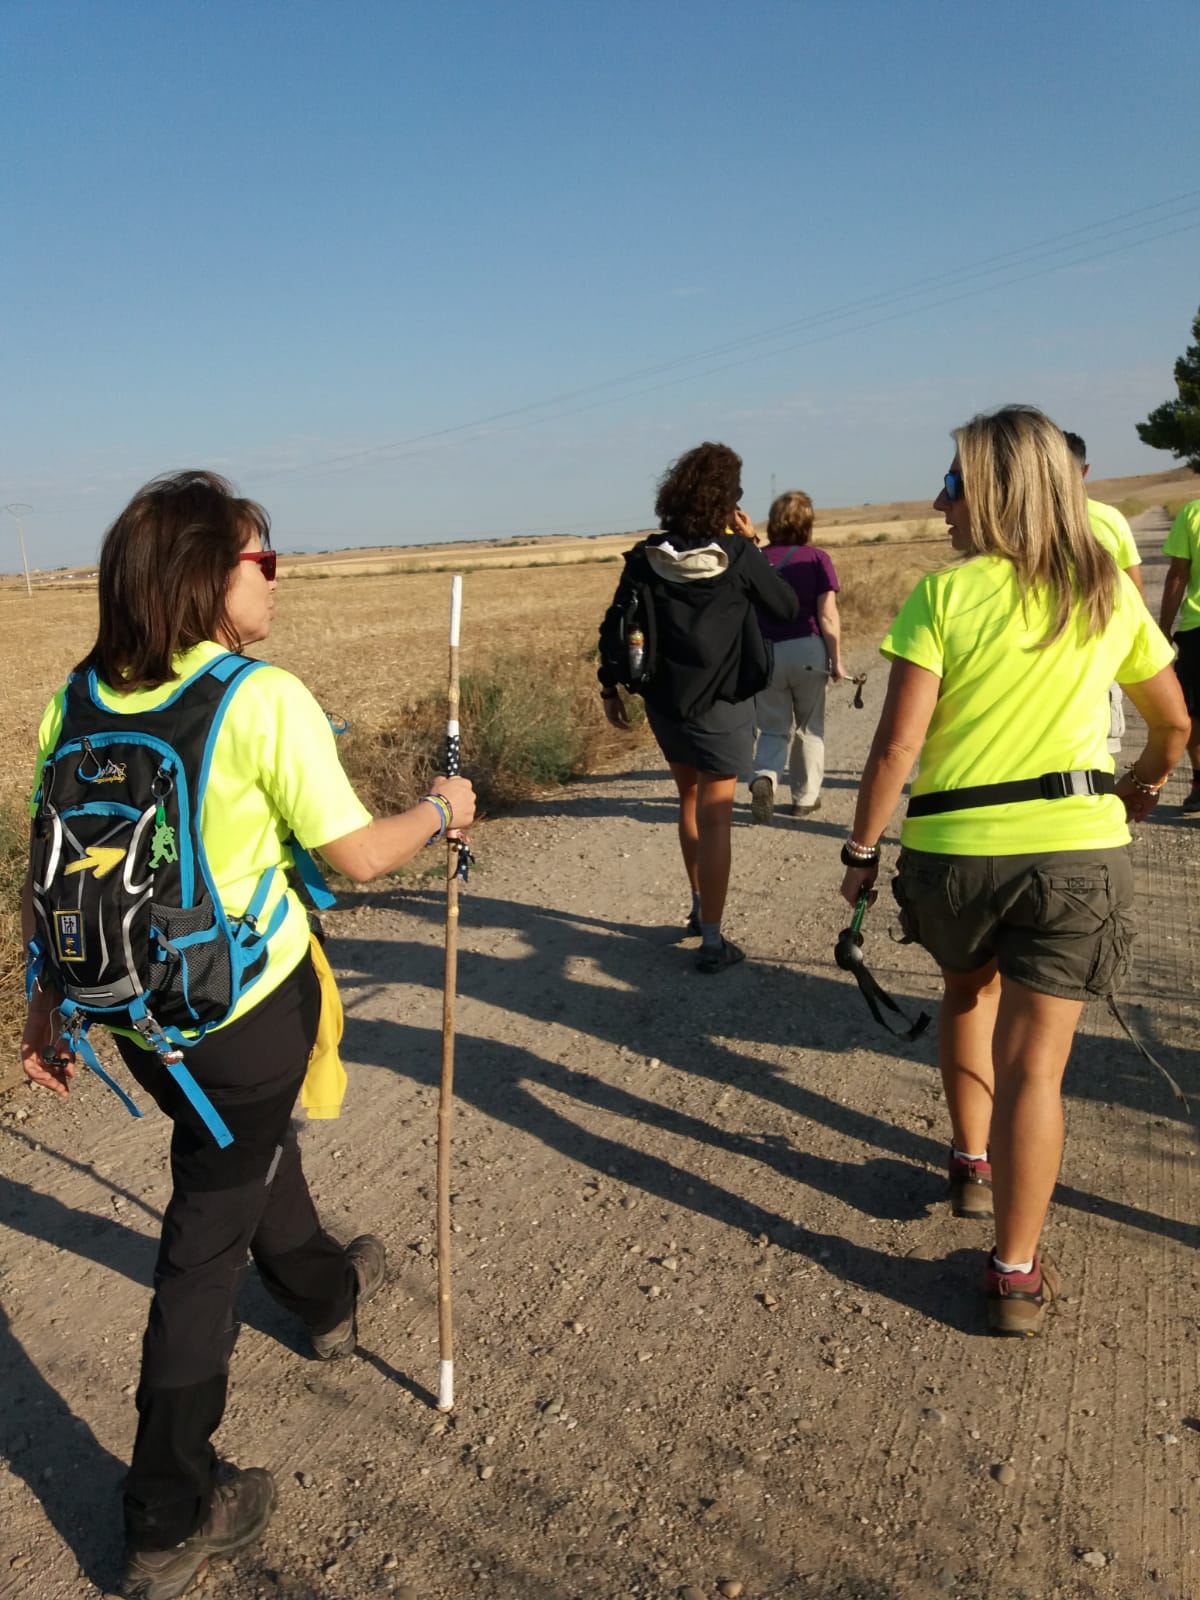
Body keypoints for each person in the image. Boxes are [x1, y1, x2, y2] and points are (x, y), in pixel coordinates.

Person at [19, 471, 476, 1600]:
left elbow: (49, 863)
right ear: (206, 577)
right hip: (243, 1013)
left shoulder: (77, 698)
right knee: (202, 1245)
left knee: (242, 1145)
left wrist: (43, 1000)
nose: (278, 576)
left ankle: (325, 1295)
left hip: (135, 1015)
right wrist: (444, 811)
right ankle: (168, 1513)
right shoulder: (258, 699)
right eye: (262, 559)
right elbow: (352, 858)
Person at [840, 407, 1187, 1337]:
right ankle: (1015, 1272)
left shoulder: (943, 597)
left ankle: (970, 1163)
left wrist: (863, 853)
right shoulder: (1105, 592)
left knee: (966, 994)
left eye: (953, 483)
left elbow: (896, 747)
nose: (940, 502)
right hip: (1078, 854)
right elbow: (1174, 723)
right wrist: (1142, 787)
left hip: (954, 857)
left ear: (996, 491)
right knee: (1038, 1069)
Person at [599, 442, 798, 973]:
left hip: (667, 703)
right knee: (716, 817)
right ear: (728, 500)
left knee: (688, 801)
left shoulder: (646, 557)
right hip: (724, 705)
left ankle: (697, 907)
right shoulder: (737, 555)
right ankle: (713, 939)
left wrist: (609, 687)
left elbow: (616, 623)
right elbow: (785, 606)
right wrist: (751, 543)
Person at [747, 490, 845, 823]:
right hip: (808, 650)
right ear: (807, 523)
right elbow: (827, 615)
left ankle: (765, 776)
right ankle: (805, 798)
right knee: (809, 728)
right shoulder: (817, 559)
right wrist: (836, 659)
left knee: (772, 728)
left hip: (767, 653)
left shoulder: (756, 560)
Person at [1063, 430, 1147, 754]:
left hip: (1038, 656)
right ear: (1085, 470)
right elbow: (1134, 591)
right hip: (1101, 653)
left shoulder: (1017, 524)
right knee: (1100, 755)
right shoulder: (1110, 519)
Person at [1159, 496, 1200, 811]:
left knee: (1195, 711)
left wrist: (1163, 628)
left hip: (1198, 629)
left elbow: (1178, 575)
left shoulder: (1192, 512)